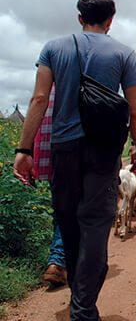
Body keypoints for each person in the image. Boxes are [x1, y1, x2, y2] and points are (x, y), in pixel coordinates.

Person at [13, 0, 136, 321]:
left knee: (68, 221)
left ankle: (79, 298)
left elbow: (39, 99)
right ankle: (83, 308)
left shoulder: (53, 48)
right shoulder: (125, 53)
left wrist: (23, 149)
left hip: (64, 150)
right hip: (103, 152)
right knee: (97, 225)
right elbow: (135, 110)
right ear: (111, 19)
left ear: (79, 17)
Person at [33, 85, 67, 287]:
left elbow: (37, 103)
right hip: (78, 152)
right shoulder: (82, 79)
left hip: (50, 153)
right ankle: (63, 261)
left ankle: (57, 261)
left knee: (61, 211)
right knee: (83, 210)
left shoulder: (48, 88)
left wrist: (24, 149)